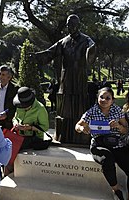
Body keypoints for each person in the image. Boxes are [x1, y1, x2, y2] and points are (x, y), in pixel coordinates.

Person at [30, 14, 95, 144]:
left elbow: (91, 50)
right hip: (66, 77)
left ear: (78, 25)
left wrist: (91, 52)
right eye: (68, 25)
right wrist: (36, 57)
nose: (70, 27)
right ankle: (63, 135)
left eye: (73, 25)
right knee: (65, 102)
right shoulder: (63, 41)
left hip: (79, 76)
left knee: (79, 100)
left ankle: (79, 131)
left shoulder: (86, 39)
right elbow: (50, 52)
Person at [75, 87, 129, 200]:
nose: (104, 100)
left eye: (108, 98)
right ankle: (116, 189)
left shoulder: (117, 111)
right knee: (107, 159)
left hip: (117, 144)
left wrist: (119, 126)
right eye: (102, 97)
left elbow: (126, 129)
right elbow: (77, 125)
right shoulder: (92, 111)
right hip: (99, 144)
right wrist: (82, 128)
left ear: (112, 100)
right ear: (97, 98)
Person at [4, 87, 49, 175]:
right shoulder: (20, 105)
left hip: (33, 138)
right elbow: (15, 118)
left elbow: (45, 127)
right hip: (18, 136)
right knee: (5, 146)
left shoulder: (40, 109)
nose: (23, 108)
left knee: (12, 150)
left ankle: (9, 171)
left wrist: (29, 128)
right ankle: (7, 172)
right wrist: (16, 124)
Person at [0, 65, 19, 130]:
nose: (1, 77)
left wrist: (7, 115)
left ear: (9, 77)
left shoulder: (15, 89)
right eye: (0, 74)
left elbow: (17, 107)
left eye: (3, 75)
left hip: (9, 123)